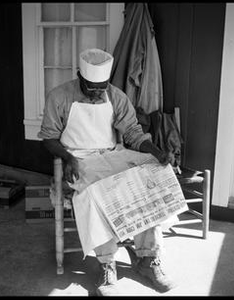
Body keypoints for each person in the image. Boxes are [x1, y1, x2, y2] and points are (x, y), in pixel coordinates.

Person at [38, 48, 176, 296]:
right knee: (99, 194)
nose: (97, 93)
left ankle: (148, 259)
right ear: (80, 76)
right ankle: (107, 265)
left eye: (102, 87)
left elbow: (133, 133)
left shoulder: (116, 96)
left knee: (150, 178)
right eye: (92, 87)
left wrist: (156, 151)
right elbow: (48, 138)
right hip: (78, 158)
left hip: (112, 154)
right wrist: (68, 157)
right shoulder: (59, 96)